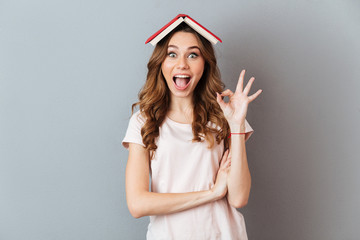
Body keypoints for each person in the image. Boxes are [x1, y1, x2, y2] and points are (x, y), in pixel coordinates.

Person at [122, 17, 262, 240]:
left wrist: (236, 125)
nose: (182, 64)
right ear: (161, 63)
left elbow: (239, 197)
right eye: (172, 54)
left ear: (205, 64)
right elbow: (137, 204)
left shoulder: (224, 116)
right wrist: (211, 193)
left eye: (193, 55)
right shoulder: (143, 121)